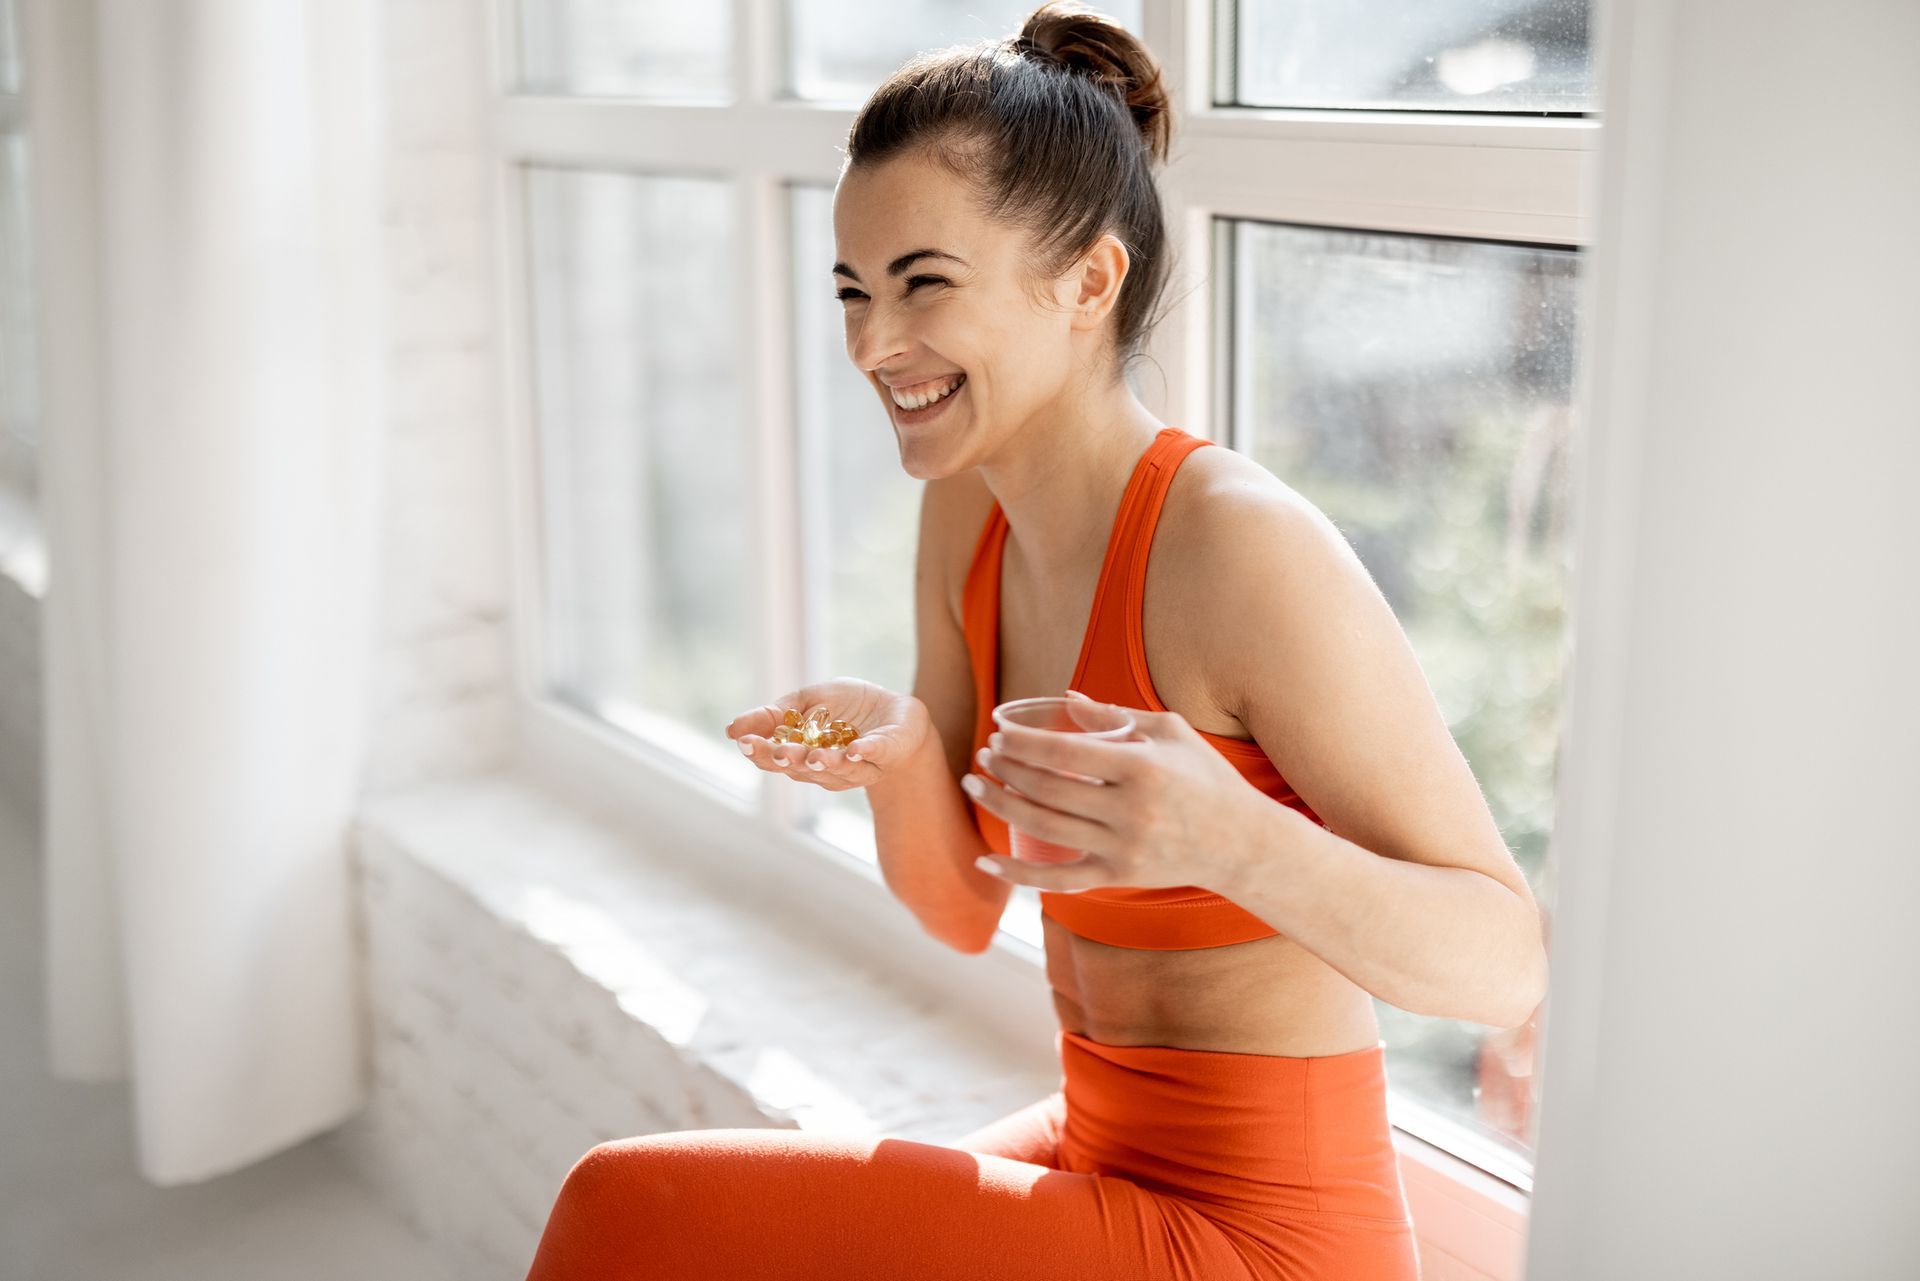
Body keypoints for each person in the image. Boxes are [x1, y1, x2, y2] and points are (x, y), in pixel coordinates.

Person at [525, 4, 1548, 1277]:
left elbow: (1508, 965)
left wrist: (1230, 838)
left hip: (1267, 1234)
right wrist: (903, 757)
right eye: (852, 292)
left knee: (631, 1215)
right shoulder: (970, 507)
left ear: (1089, 282)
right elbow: (961, 909)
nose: (872, 345)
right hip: (1096, 1149)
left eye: (923, 286)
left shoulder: (1235, 547)